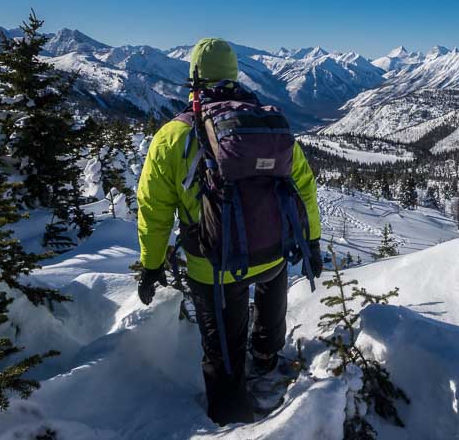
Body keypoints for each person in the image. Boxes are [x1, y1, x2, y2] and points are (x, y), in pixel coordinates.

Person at [134, 38, 322, 426]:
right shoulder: (267, 122)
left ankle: (230, 418)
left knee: (223, 349)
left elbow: (154, 212)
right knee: (270, 310)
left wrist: (151, 265)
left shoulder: (172, 137)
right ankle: (267, 363)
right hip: (273, 252)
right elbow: (303, 185)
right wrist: (313, 239)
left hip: (214, 266)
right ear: (235, 75)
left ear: (194, 82)